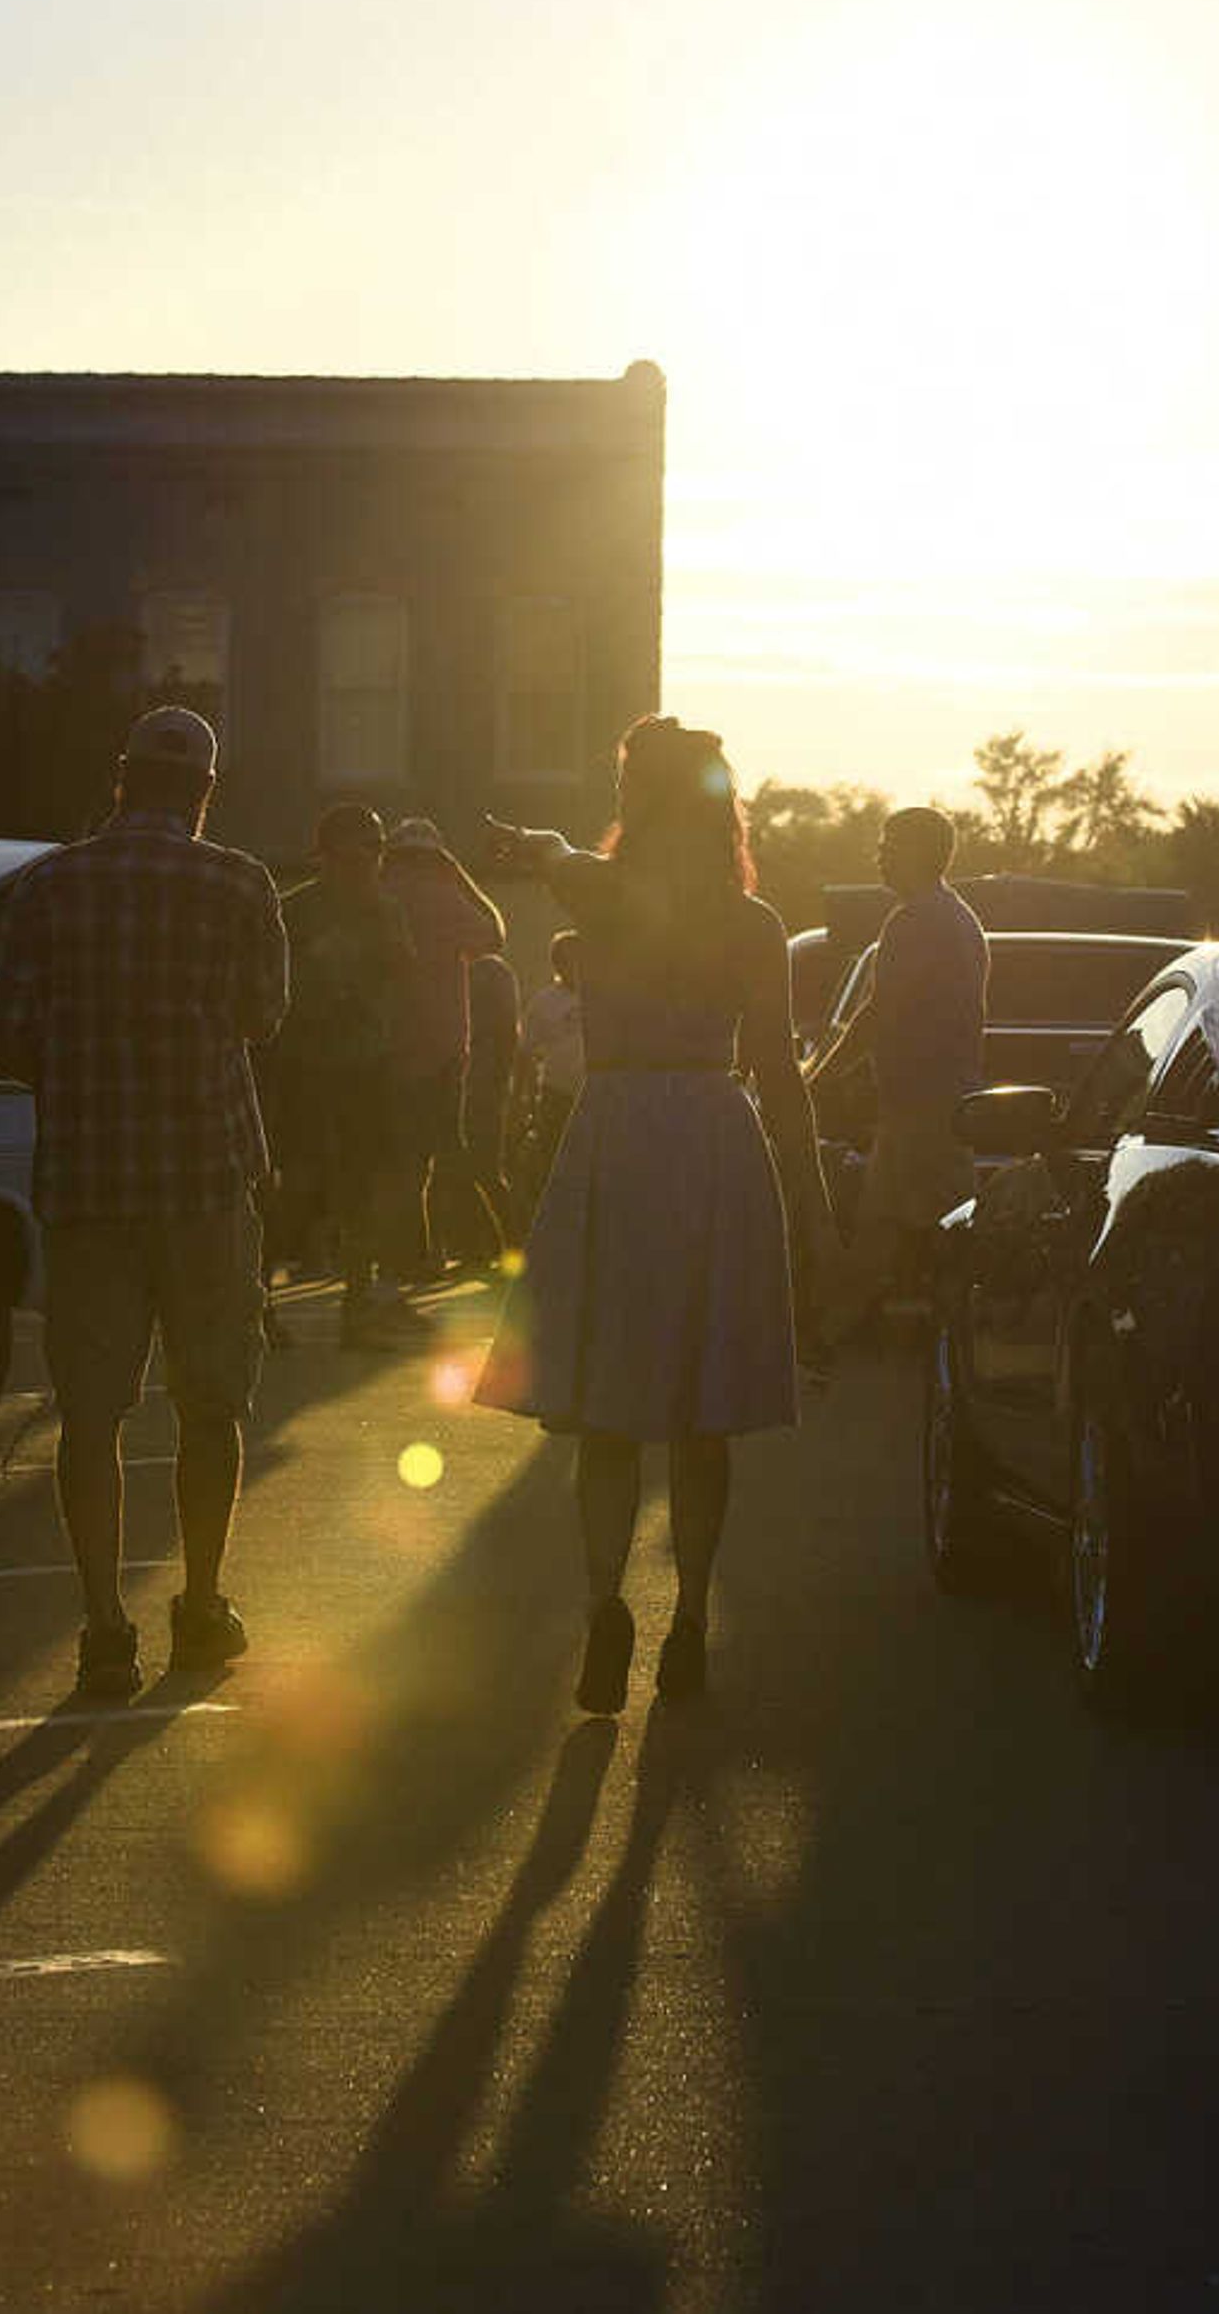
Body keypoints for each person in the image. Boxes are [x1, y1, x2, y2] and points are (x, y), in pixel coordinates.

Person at [475, 718, 832, 1715]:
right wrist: (817, 1206)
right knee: (700, 1412)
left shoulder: (599, 895)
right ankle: (688, 1615)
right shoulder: (753, 925)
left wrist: (534, 841)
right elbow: (780, 1075)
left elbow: (559, 854)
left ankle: (602, 1607)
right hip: (716, 1138)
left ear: (639, 797)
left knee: (607, 1411)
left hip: (619, 1134)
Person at [0, 706, 288, 1700]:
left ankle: (103, 1627)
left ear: (122, 779)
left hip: (86, 1184)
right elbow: (263, 1014)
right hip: (205, 1179)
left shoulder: (47, 885)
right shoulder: (240, 883)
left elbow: (6, 1039)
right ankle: (200, 1606)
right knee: (211, 1406)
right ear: (205, 789)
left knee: (91, 1415)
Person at [800, 805, 988, 1349]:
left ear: (920, 853)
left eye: (888, 845)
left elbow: (880, 1011)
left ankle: (826, 1339)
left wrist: (819, 1075)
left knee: (892, 1226)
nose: (878, 856)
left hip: (924, 1106)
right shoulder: (953, 917)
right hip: (937, 1100)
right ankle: (943, 1333)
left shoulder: (917, 921)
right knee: (929, 1226)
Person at [276, 801, 424, 1347]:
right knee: (296, 1186)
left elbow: (405, 977)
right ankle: (260, 1309)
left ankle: (359, 1306)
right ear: (331, 853)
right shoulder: (296, 911)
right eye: (364, 847)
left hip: (366, 1067)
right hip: (306, 1069)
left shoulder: (384, 909)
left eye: (377, 848)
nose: (372, 859)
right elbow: (276, 990)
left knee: (363, 1188)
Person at [382, 816, 508, 1277]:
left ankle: (412, 1253)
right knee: (442, 1151)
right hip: (443, 1046)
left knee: (399, 1158)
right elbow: (494, 934)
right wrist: (460, 876)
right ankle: (481, 1244)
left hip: (385, 1046)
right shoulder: (444, 895)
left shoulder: (381, 894)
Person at [448, 944, 520, 1270]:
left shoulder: (487, 972)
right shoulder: (489, 973)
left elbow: (505, 1035)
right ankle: (483, 1247)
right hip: (473, 1085)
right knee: (475, 1171)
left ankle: (509, 1245)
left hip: (480, 1086)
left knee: (483, 1170)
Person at [505, 929, 584, 1209]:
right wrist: (519, 1099)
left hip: (594, 1093)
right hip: (556, 1094)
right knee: (553, 1160)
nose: (576, 966)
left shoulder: (605, 997)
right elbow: (524, 1052)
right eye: (568, 960)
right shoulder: (545, 1002)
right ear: (558, 964)